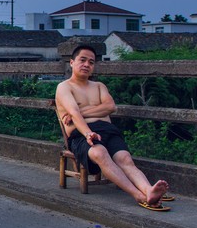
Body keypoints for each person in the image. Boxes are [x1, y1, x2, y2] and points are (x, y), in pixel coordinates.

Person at [54, 44, 172, 212]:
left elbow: (110, 107)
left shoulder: (99, 86)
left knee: (125, 159)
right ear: (72, 62)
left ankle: (148, 190)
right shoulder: (64, 87)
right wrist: (88, 132)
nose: (87, 64)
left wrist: (81, 112)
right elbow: (74, 113)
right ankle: (139, 195)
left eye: (91, 62)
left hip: (108, 130)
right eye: (82, 60)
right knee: (100, 153)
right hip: (81, 133)